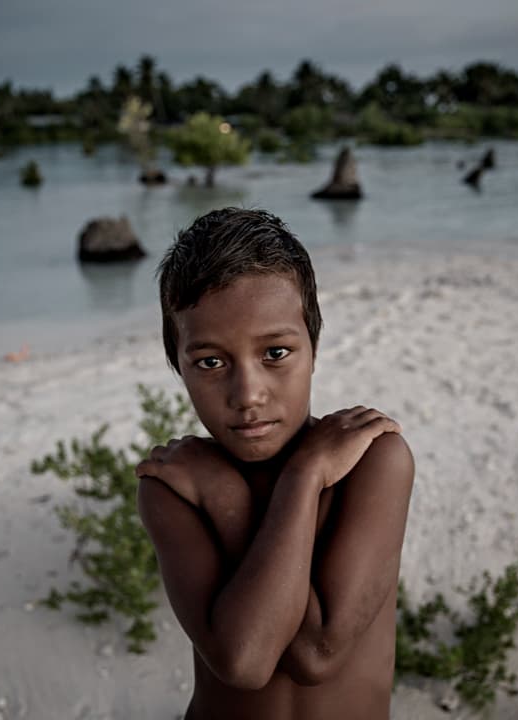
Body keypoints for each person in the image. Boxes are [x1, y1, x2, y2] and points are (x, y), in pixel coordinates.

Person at [135, 208, 414, 720]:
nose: (248, 394)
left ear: (314, 346)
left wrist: (288, 480)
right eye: (211, 362)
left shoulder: (373, 459)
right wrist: (235, 492)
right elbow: (244, 659)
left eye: (276, 352)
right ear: (178, 364)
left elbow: (316, 653)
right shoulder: (172, 486)